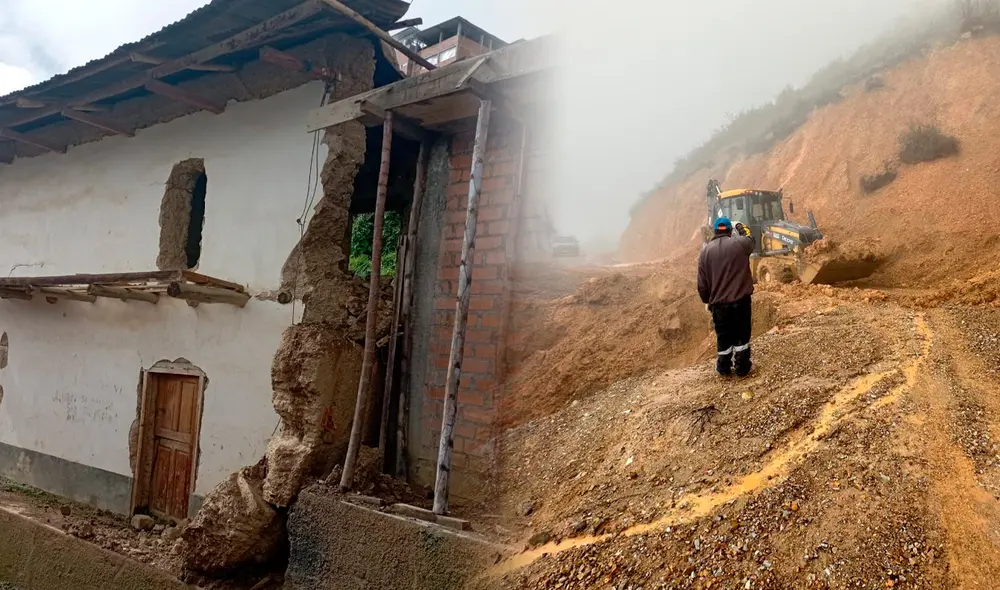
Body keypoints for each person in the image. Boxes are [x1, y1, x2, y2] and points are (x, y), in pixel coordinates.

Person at [697, 217, 755, 377]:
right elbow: (751, 238)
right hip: (741, 301)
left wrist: (707, 300)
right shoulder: (740, 245)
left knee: (723, 336)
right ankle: (742, 368)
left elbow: (702, 284)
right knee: (742, 334)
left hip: (719, 305)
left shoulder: (705, 252)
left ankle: (723, 368)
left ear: (715, 231)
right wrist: (740, 226)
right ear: (730, 230)